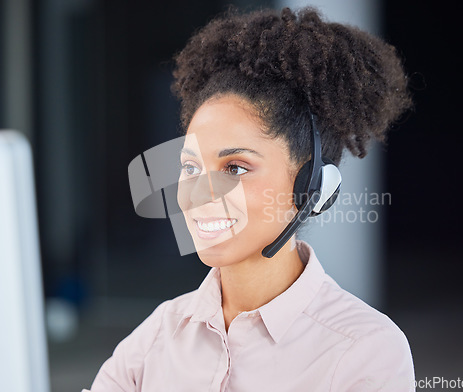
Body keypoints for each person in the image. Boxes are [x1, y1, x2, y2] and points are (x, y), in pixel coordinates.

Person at [84, 6, 415, 391]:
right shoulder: (154, 339)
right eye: (190, 168)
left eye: (235, 168)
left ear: (309, 186)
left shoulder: (365, 350)